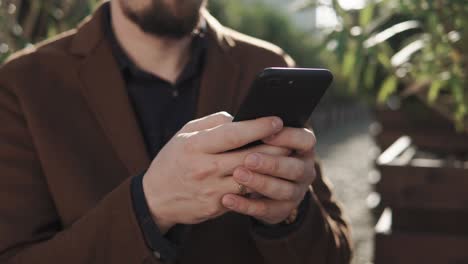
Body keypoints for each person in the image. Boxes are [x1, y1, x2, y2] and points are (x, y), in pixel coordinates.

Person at [0, 0, 351, 263]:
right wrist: (147, 207)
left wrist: (290, 216)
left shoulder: (263, 65)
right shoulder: (23, 85)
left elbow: (336, 253)